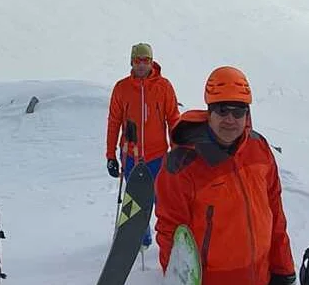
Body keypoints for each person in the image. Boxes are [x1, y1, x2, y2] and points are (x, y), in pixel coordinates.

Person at [155, 66, 297, 285]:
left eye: (238, 111)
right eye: (222, 110)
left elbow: (275, 212)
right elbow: (171, 235)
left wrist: (283, 268)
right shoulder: (181, 164)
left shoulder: (258, 148)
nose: (230, 119)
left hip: (262, 276)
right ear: (209, 111)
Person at [105, 42, 180, 246]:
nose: (141, 65)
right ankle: (139, 238)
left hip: (158, 156)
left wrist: (177, 149)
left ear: (151, 62)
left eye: (145, 60)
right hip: (131, 155)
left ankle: (168, 238)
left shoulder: (164, 86)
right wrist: (110, 155)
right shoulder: (122, 88)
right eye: (137, 60)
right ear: (131, 62)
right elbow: (113, 122)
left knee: (162, 201)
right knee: (134, 200)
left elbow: (173, 119)